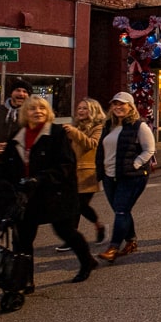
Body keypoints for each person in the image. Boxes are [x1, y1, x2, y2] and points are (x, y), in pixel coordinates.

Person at [0, 95, 97, 284]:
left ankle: (87, 261)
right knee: (23, 240)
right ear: (25, 113)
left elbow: (66, 165)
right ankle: (25, 279)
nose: (38, 112)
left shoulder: (56, 134)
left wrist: (40, 178)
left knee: (66, 232)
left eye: (42, 108)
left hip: (56, 193)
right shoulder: (17, 137)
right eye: (33, 109)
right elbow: (6, 166)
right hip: (27, 196)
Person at [96, 91, 156, 262]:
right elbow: (102, 150)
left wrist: (135, 164)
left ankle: (113, 248)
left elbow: (149, 149)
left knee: (121, 210)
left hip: (132, 177)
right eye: (115, 104)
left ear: (130, 107)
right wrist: (99, 170)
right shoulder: (108, 126)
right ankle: (131, 241)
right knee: (120, 210)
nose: (118, 107)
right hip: (110, 176)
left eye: (122, 104)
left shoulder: (139, 126)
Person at [59, 98, 107, 251]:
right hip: (70, 174)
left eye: (84, 108)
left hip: (88, 174)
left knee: (79, 206)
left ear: (93, 111)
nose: (80, 111)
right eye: (79, 108)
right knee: (72, 206)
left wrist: (74, 133)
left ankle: (94, 228)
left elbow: (92, 144)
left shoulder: (98, 127)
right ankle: (74, 236)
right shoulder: (74, 127)